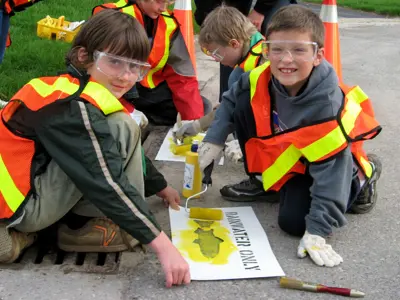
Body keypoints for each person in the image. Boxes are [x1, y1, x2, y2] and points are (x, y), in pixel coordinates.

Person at [0, 10, 190, 288]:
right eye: (114, 62)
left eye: (135, 66)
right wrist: (162, 245)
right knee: (116, 136)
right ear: (83, 57)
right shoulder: (74, 108)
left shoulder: (74, 90)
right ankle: (73, 229)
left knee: (121, 126)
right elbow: (104, 178)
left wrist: (159, 186)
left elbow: (114, 151)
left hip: (30, 185)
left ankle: (89, 223)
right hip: (24, 209)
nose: (126, 77)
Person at [197, 5, 382, 267]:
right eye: (278, 49)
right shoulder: (261, 74)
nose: (286, 60)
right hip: (294, 152)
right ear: (266, 50)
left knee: (294, 223)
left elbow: (331, 175)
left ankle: (363, 176)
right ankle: (266, 181)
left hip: (331, 165)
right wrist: (214, 139)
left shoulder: (326, 110)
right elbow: (229, 99)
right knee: (241, 104)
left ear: (318, 55)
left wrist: (318, 230)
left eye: (298, 50)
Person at [173, 4, 276, 202]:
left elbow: (262, 110)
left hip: (285, 131)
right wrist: (198, 126)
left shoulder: (265, 61)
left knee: (244, 102)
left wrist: (248, 142)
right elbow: (226, 108)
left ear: (235, 43)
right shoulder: (248, 60)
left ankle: (262, 179)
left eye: (217, 54)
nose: (217, 61)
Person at [92, 0, 211, 126]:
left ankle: (143, 119)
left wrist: (193, 123)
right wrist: (127, 110)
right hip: (115, 89)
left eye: (168, 3)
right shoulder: (111, 15)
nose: (163, 9)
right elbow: (97, 72)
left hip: (149, 93)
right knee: (120, 123)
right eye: (160, 2)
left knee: (202, 108)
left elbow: (182, 77)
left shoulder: (168, 23)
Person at [193, 0, 294, 104]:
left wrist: (260, 9)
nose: (215, 59)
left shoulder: (264, 65)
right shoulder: (249, 52)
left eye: (215, 53)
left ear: (234, 44)